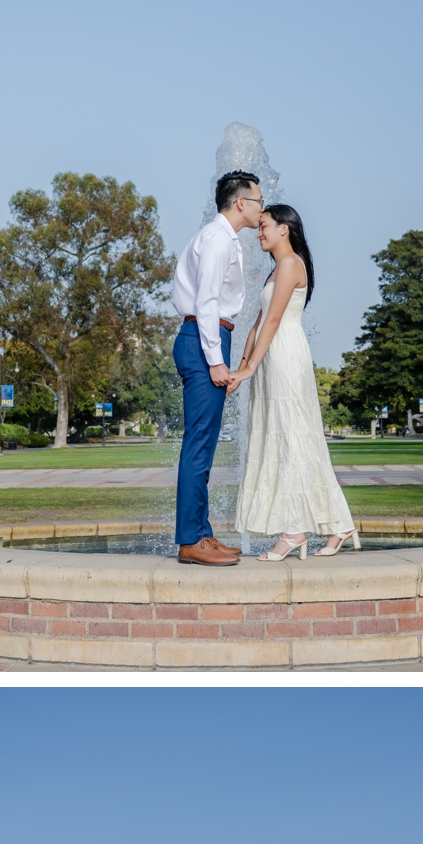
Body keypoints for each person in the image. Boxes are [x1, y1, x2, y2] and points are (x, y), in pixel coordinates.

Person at [228, 207, 359, 561]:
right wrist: (242, 368)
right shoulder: (276, 269)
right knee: (286, 439)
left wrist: (251, 368)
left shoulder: (290, 264)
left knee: (292, 439)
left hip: (284, 355)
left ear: (284, 229)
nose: (258, 233)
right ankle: (339, 524)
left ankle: (294, 531)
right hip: (269, 357)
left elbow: (273, 321)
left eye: (264, 226)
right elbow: (257, 324)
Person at [169, 172, 266, 567]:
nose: (263, 209)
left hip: (207, 338)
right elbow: (207, 302)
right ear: (241, 203)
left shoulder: (224, 239)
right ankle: (191, 540)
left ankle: (201, 532)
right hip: (202, 339)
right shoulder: (217, 239)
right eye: (259, 201)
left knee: (204, 444)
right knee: (199, 443)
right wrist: (215, 360)